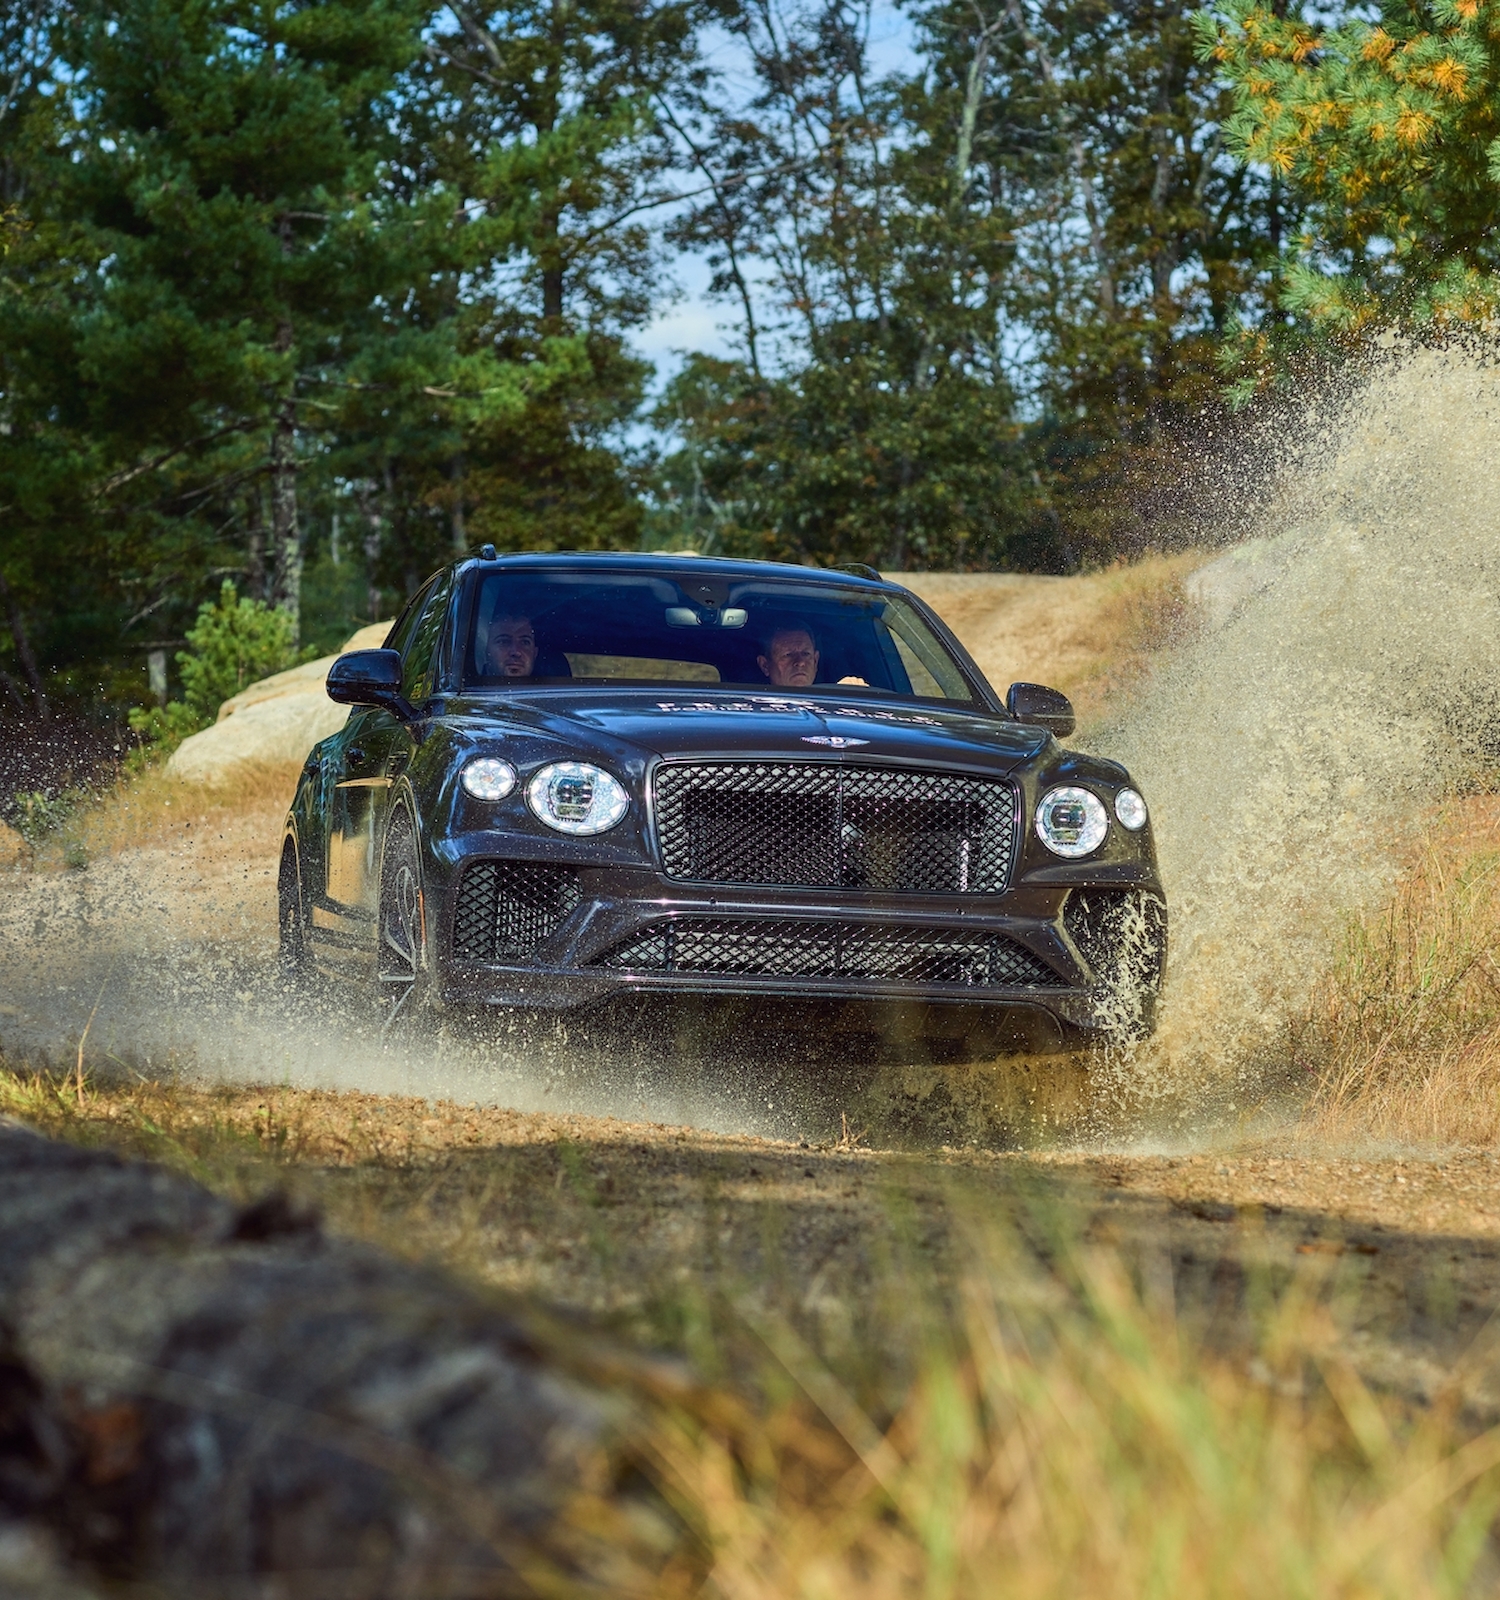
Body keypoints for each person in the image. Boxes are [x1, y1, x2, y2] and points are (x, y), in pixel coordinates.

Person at [757, 624, 869, 689]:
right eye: (788, 655)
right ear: (765, 665)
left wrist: (853, 696)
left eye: (806, 654)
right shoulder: (753, 713)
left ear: (815, 661)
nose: (800, 662)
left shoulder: (839, 703)